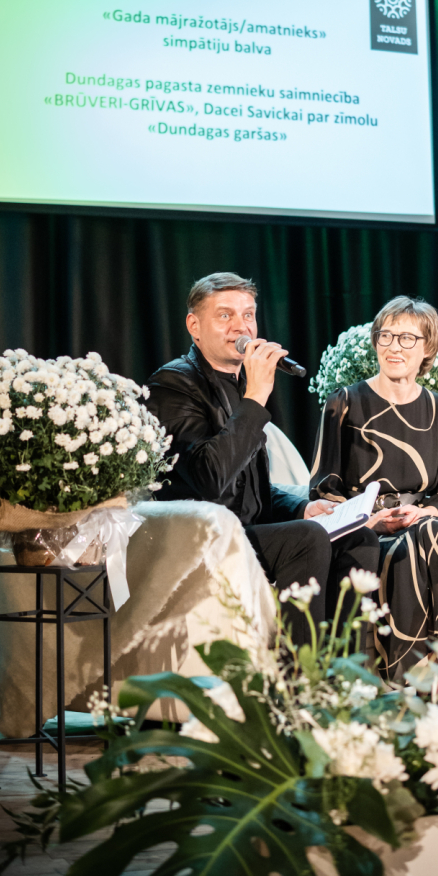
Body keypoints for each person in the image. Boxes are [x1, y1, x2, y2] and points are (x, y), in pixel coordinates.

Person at [144, 272, 380, 647]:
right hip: (201, 539)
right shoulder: (172, 385)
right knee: (306, 539)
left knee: (358, 536)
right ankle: (296, 676)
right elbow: (210, 478)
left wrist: (302, 507)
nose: (241, 326)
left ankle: (346, 668)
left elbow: (250, 487)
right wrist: (255, 398)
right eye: (225, 315)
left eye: (248, 315)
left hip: (248, 532)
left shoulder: (242, 385)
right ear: (194, 326)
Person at [309, 295, 438, 687]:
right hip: (364, 531)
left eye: (408, 338)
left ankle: (413, 687)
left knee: (430, 530)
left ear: (427, 348)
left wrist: (422, 513)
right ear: (375, 342)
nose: (395, 346)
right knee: (429, 539)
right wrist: (370, 519)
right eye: (386, 335)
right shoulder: (344, 403)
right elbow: (324, 489)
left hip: (420, 525)